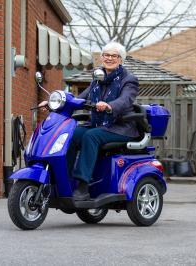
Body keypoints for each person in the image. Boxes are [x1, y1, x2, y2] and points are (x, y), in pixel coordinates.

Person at [39, 42, 139, 200]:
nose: (110, 58)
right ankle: (65, 179)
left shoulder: (129, 79)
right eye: (107, 55)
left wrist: (109, 105)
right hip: (98, 125)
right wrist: (53, 104)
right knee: (70, 134)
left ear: (121, 59)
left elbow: (125, 100)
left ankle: (83, 186)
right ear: (101, 57)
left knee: (90, 136)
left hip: (120, 127)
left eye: (114, 56)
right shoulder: (97, 79)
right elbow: (78, 99)